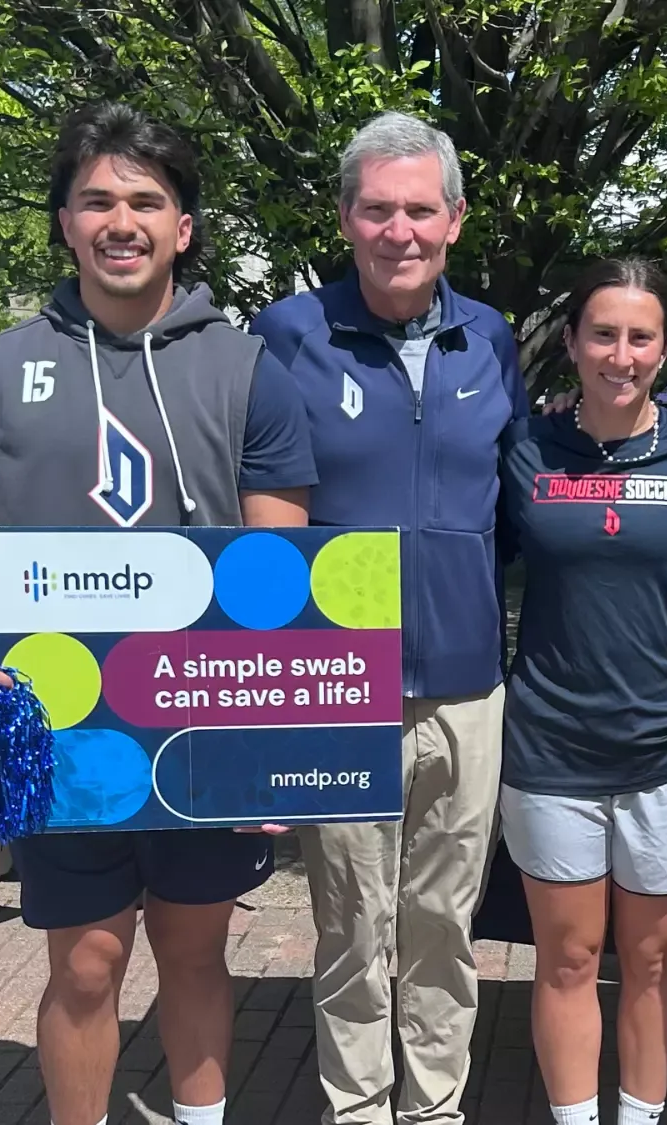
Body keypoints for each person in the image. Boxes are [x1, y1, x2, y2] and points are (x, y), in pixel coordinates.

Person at [0, 102, 316, 1125]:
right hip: (56, 719)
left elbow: (277, 566)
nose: (119, 220)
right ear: (64, 222)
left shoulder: (248, 368)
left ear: (182, 226)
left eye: (146, 200)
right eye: (96, 200)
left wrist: (275, 733)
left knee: (193, 952)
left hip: (202, 724)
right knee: (84, 965)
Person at [250, 110, 527, 1125]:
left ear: (452, 220)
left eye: (418, 210)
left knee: (442, 928)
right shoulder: (286, 335)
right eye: (377, 210)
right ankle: (358, 1110)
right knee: (350, 927)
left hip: (465, 684)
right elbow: (257, 530)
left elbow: (509, 506)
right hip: (339, 686)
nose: (397, 230)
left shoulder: (488, 336)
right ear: (344, 216)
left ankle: (434, 1110)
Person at [499, 259, 667, 1125]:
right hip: (549, 744)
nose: (620, 354)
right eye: (602, 333)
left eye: (639, 336)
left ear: (665, 348)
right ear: (572, 343)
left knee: (655, 961)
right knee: (566, 957)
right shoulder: (526, 448)